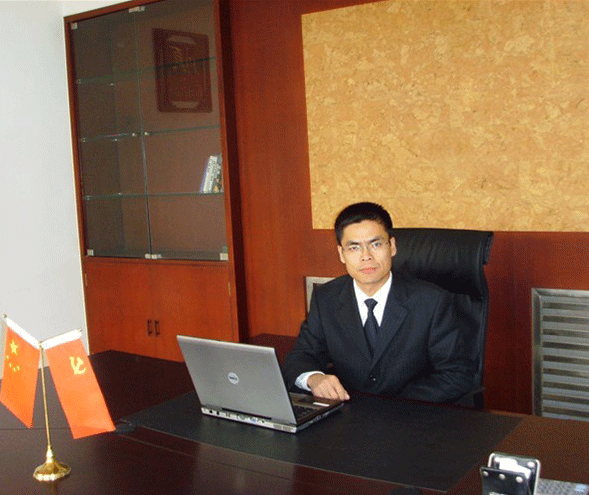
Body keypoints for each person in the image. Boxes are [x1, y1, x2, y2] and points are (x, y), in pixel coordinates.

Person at [282, 202, 476, 403]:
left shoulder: (431, 301)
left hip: (410, 414)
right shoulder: (326, 298)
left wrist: (393, 406)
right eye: (354, 247)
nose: (366, 257)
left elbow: (457, 374)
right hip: (349, 414)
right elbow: (301, 356)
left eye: (375, 244)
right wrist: (314, 378)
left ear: (392, 246)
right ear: (341, 254)